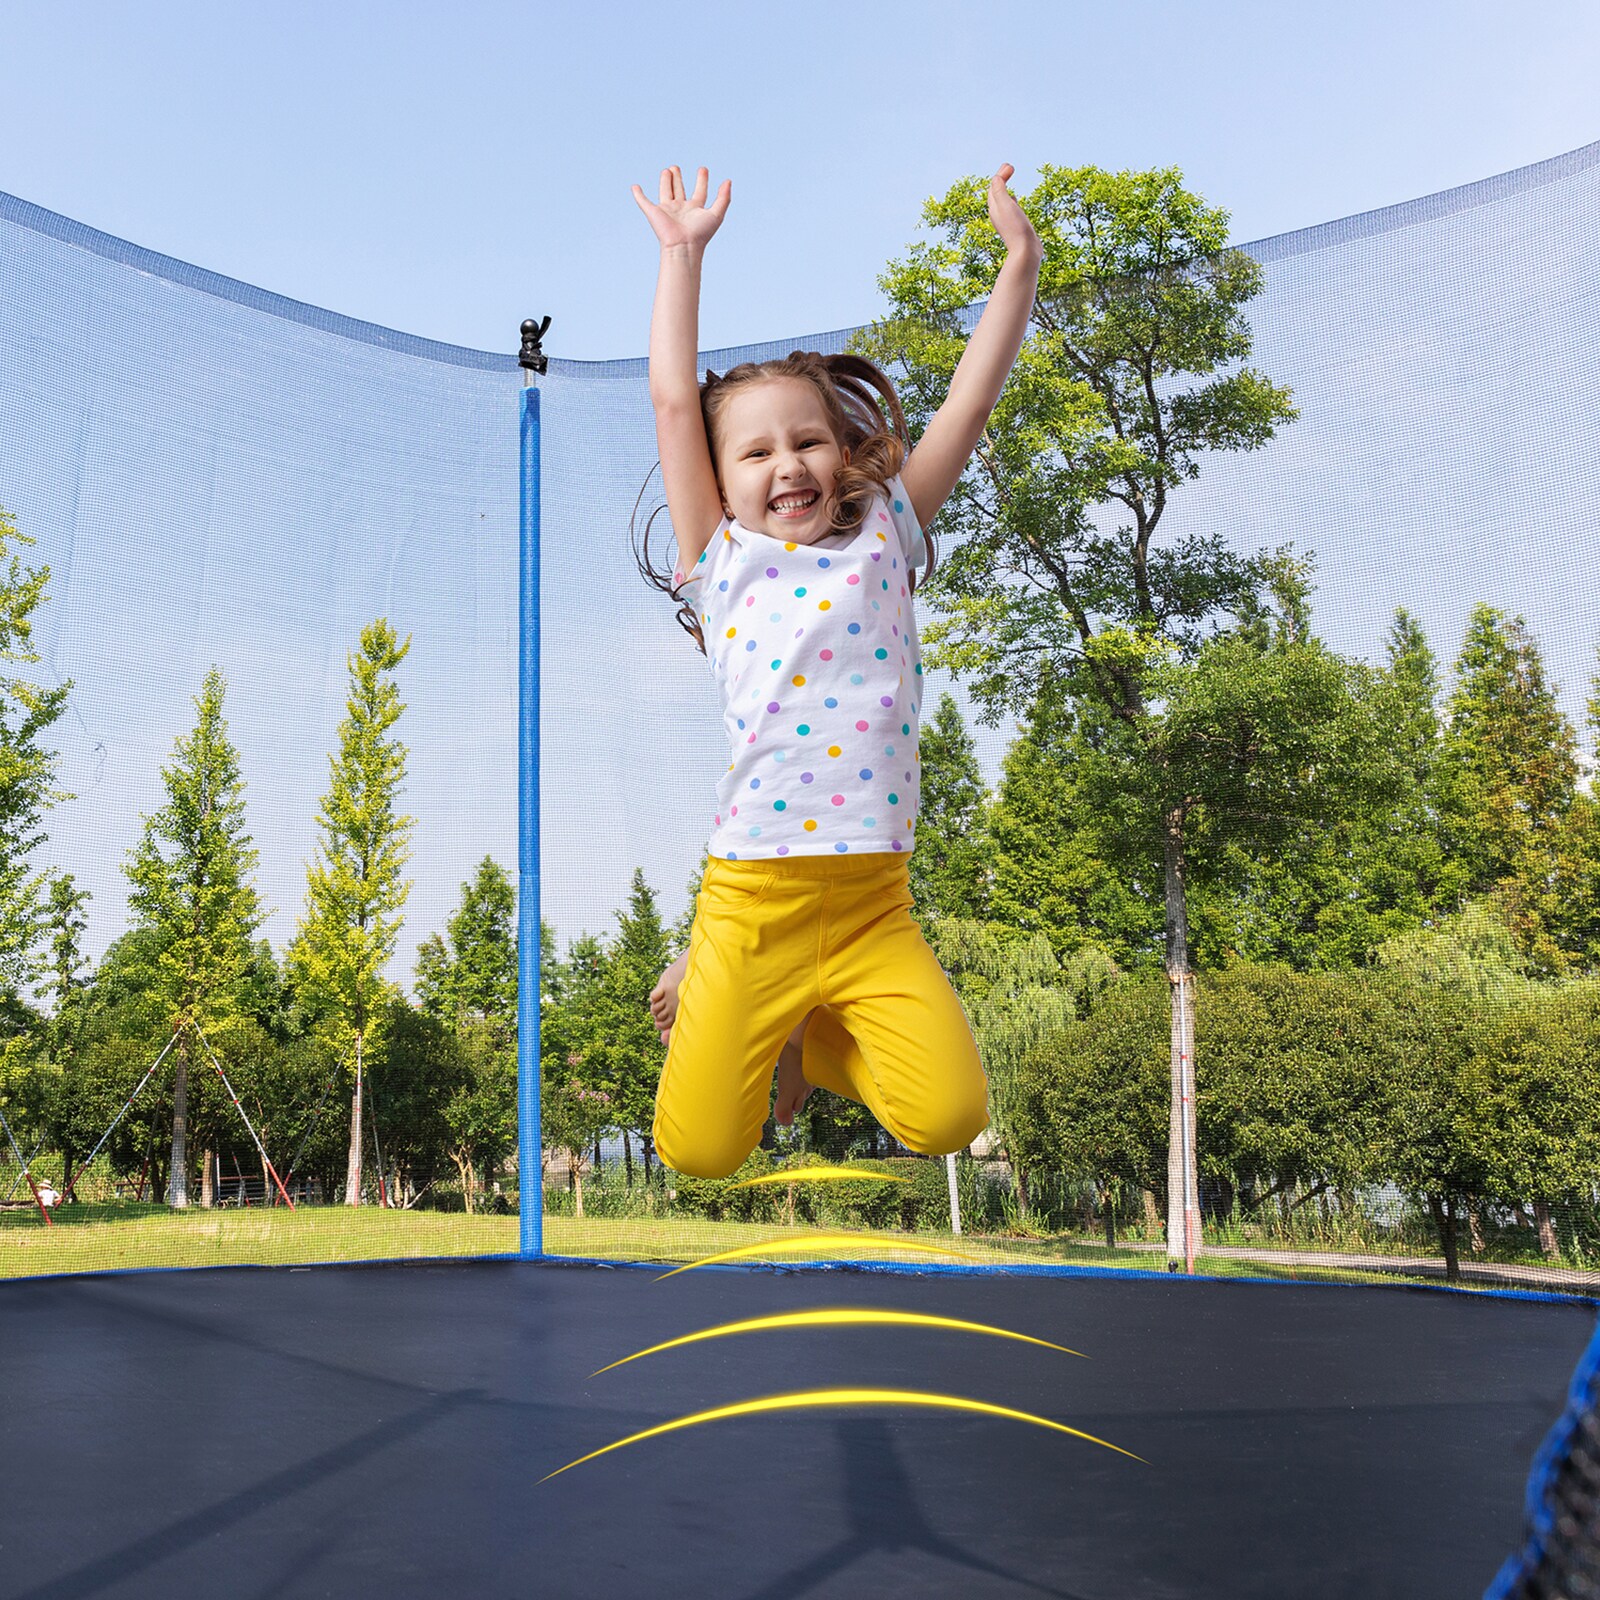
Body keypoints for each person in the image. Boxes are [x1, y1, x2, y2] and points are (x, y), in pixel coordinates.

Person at [632, 163, 1041, 1179]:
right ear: (724, 487)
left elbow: (968, 404)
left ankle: (806, 1039)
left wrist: (1018, 273)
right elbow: (675, 406)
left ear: (844, 454)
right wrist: (682, 256)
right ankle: (739, 998)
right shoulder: (720, 561)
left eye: (809, 441)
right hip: (750, 902)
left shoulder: (888, 531)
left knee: (946, 1116)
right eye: (758, 454)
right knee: (700, 1151)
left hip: (871, 902)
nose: (789, 466)